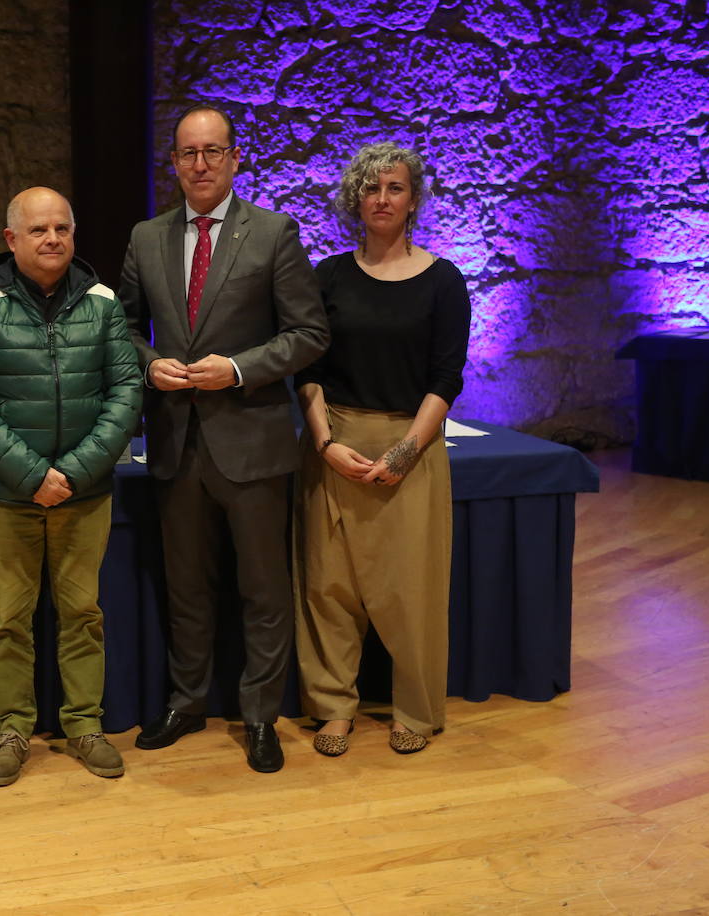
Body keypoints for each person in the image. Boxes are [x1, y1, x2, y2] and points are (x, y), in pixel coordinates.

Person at [119, 104, 329, 773]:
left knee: (263, 589)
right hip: (176, 442)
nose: (201, 164)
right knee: (186, 586)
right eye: (188, 153)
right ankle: (187, 702)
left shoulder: (273, 233)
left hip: (254, 442)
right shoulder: (146, 239)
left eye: (213, 152)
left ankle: (262, 714)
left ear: (236, 158)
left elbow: (308, 333)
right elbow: (119, 328)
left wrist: (238, 369)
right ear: (174, 163)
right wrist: (148, 364)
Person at [0, 187, 143, 786]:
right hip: (8, 496)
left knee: (83, 614)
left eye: (62, 228)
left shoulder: (105, 302)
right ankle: (14, 729)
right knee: (10, 618)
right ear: (11, 239)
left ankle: (84, 724)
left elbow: (126, 393)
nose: (52, 239)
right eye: (38, 230)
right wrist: (33, 476)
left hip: (85, 495)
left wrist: (75, 472)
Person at [293, 142, 470, 756]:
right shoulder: (329, 277)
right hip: (335, 444)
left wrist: (403, 454)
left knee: (412, 589)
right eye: (371, 188)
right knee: (328, 585)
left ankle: (415, 712)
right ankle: (333, 706)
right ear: (355, 200)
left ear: (414, 198)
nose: (382, 198)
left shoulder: (445, 281)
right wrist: (325, 443)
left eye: (394, 187)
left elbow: (446, 378)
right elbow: (306, 369)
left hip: (412, 448)